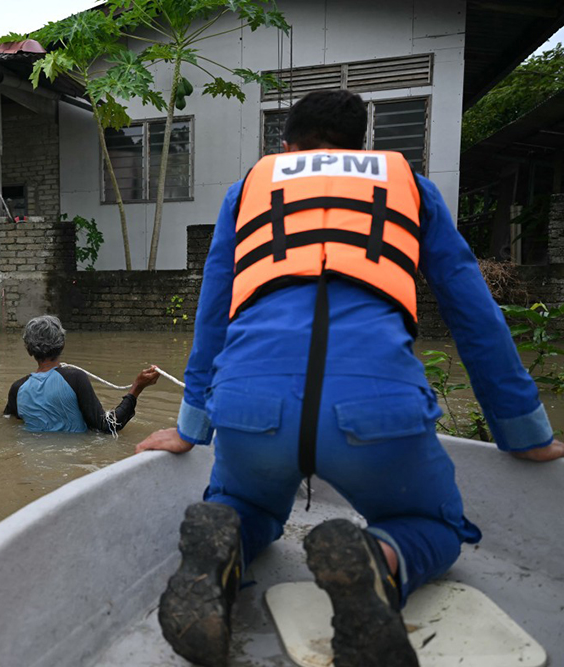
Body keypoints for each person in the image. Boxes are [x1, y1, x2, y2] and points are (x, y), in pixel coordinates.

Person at [135, 90, 564, 667]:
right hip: (377, 410)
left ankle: (221, 552)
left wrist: (192, 427)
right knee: (433, 526)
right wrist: (524, 433)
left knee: (244, 506)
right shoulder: (407, 184)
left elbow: (214, 313)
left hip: (250, 405)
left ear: (285, 148)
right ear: (360, 148)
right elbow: (474, 313)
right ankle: (378, 557)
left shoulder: (250, 188)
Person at [4, 315, 159, 433]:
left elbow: (10, 423)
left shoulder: (17, 388)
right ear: (62, 344)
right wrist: (137, 388)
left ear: (28, 349)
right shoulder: (75, 378)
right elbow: (108, 426)